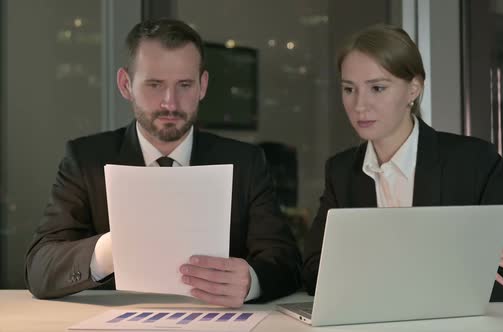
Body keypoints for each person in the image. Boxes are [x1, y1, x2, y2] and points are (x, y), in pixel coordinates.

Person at [24, 18, 301, 307]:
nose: (170, 103)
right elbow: (39, 269)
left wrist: (251, 282)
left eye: (184, 84)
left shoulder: (245, 162)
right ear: (125, 84)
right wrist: (110, 250)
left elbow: (286, 261)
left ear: (203, 86)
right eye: (155, 84)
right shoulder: (85, 159)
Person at [302, 24, 503, 301]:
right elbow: (313, 272)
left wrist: (379, 270)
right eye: (349, 89)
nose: (359, 105)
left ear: (413, 89)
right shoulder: (342, 171)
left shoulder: (470, 162)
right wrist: (450, 258)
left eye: (377, 88)